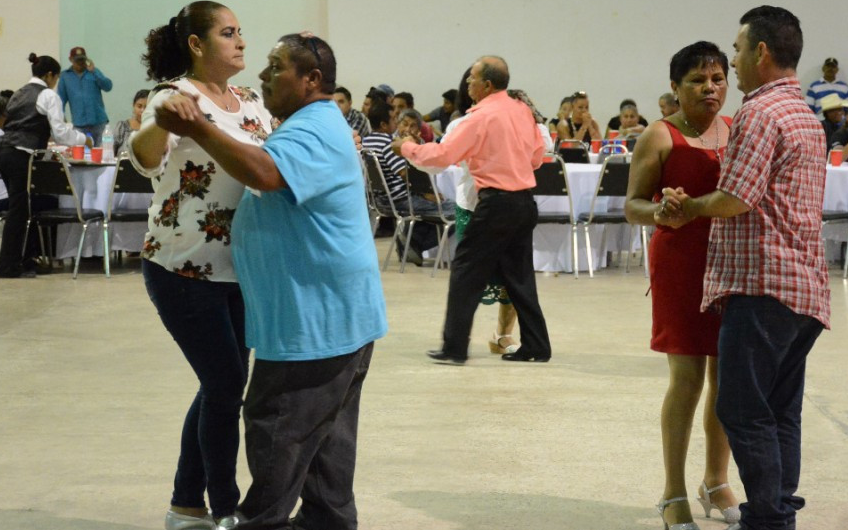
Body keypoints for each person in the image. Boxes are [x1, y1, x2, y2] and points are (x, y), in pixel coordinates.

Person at [154, 32, 386, 530]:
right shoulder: (312, 123)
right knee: (322, 447)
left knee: (279, 435)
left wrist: (199, 128)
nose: (262, 74)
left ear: (312, 79)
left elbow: (264, 173)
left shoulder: (314, 129)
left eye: (276, 66)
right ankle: (326, 521)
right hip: (332, 318)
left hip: (314, 325)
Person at [662, 5, 830, 530]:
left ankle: (769, 519)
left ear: (760, 51)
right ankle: (777, 506)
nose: (729, 67)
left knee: (741, 410)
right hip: (803, 288)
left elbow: (736, 197)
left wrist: (688, 206)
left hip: (762, 285)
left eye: (734, 52)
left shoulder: (760, 112)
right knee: (780, 409)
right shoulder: (803, 112)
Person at [131, 0, 273, 530]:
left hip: (241, 268)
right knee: (225, 384)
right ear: (197, 44)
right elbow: (145, 155)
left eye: (241, 31)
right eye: (228, 33)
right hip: (182, 267)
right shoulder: (175, 96)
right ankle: (226, 509)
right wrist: (161, 125)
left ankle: (184, 504)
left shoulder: (252, 102)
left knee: (221, 385)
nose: (240, 42)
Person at [624, 41, 740, 530]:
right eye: (697, 80)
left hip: (732, 266)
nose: (709, 88)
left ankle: (716, 480)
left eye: (717, 79)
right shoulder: (659, 135)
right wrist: (662, 212)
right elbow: (632, 205)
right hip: (680, 265)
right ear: (675, 87)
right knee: (687, 380)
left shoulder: (736, 131)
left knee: (728, 381)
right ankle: (673, 492)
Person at [393, 55, 552, 364]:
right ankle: (536, 345)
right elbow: (536, 156)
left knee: (465, 272)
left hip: (496, 204)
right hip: (524, 201)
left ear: (487, 84)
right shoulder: (522, 111)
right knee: (519, 277)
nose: (467, 84)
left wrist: (407, 148)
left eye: (471, 80)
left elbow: (442, 156)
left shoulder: (479, 118)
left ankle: (454, 348)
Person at [0, 53, 90, 278]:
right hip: (22, 156)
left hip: (5, 153)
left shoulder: (18, 93)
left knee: (24, 209)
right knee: (19, 212)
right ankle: (7, 267)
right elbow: (60, 132)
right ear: (50, 75)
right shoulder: (47, 94)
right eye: (55, 78)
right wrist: (84, 139)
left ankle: (27, 260)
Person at [360, 101, 447, 266]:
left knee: (433, 209)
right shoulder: (388, 143)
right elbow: (404, 173)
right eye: (395, 120)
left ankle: (410, 240)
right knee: (454, 210)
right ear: (384, 124)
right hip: (399, 200)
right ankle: (412, 242)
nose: (396, 123)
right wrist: (426, 193)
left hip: (378, 200)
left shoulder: (366, 141)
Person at [57, 45, 113, 140]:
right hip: (79, 126)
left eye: (82, 59)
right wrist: (61, 119)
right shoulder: (65, 76)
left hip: (99, 123)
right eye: (77, 60)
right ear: (70, 59)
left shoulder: (94, 72)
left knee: (102, 152)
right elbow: (60, 100)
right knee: (80, 154)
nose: (80, 63)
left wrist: (94, 71)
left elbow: (108, 87)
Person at [112, 89, 148, 155]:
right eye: (139, 106)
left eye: (146, 107)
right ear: (133, 106)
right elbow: (111, 152)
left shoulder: (156, 129)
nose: (142, 111)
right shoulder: (122, 127)